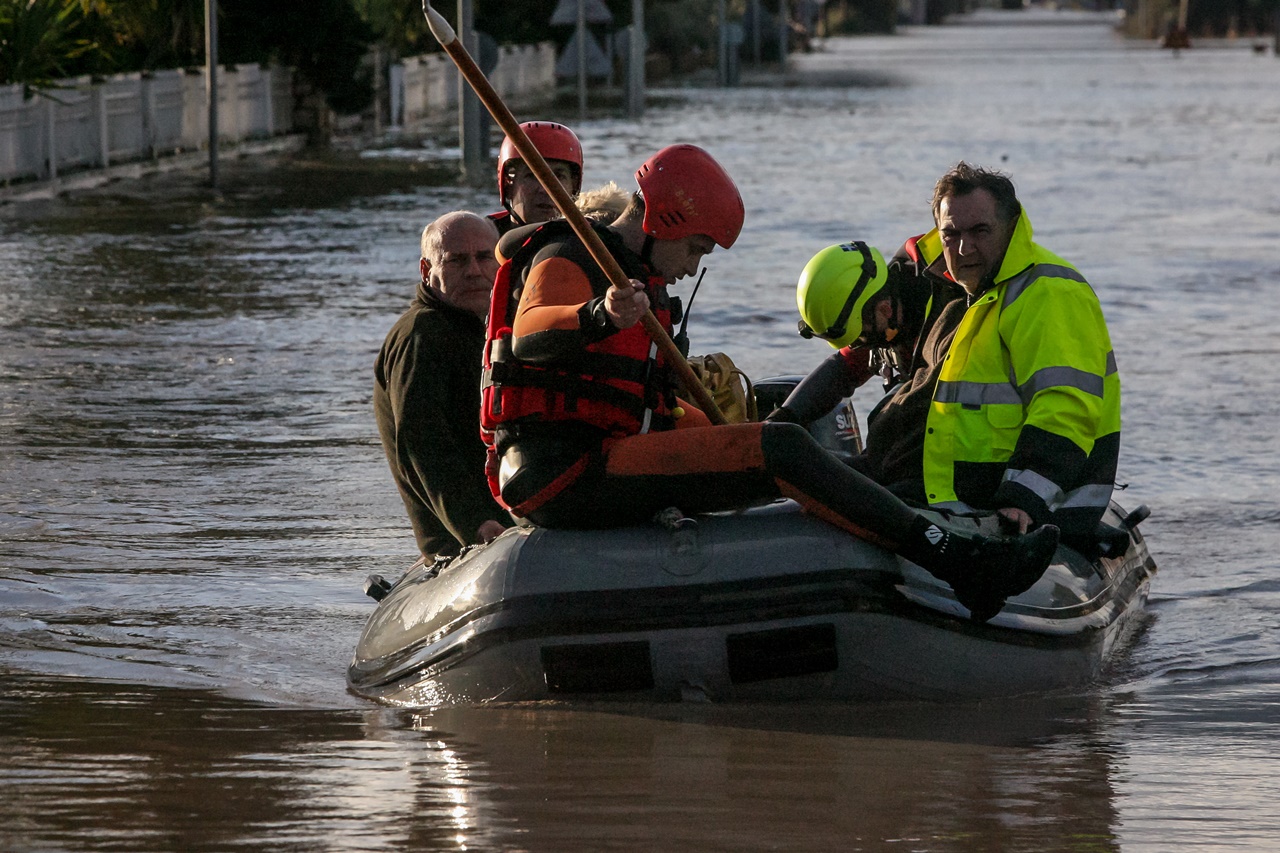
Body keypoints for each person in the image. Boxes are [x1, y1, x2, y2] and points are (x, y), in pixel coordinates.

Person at [480, 144, 1059, 622]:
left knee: (784, 448)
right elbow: (530, 332)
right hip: (560, 471)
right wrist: (599, 315)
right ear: (666, 221)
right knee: (778, 447)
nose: (690, 266)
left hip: (610, 453)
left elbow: (663, 406)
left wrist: (732, 436)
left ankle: (945, 547)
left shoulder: (644, 282)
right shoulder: (570, 252)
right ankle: (963, 565)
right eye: (696, 248)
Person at [921, 162, 1121, 543]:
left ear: (1011, 227)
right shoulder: (975, 296)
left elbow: (1066, 407)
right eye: (951, 234)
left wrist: (1023, 500)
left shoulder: (1047, 292)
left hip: (1036, 515)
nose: (964, 247)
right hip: (964, 507)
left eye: (980, 231)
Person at [770, 236, 967, 502]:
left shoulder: (949, 310)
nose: (860, 345)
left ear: (885, 309)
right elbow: (845, 368)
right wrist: (783, 420)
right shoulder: (881, 302)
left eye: (860, 336)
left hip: (959, 452)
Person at [374, 211, 511, 562]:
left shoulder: (482, 329)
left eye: (484, 257)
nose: (474, 271)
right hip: (465, 540)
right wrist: (476, 523)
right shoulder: (421, 336)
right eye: (456, 261)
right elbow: (422, 441)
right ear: (426, 271)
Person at [489, 121, 583, 236]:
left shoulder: (596, 240)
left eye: (558, 177)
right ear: (507, 184)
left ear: (573, 187)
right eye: (532, 176)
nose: (545, 190)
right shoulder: (480, 240)